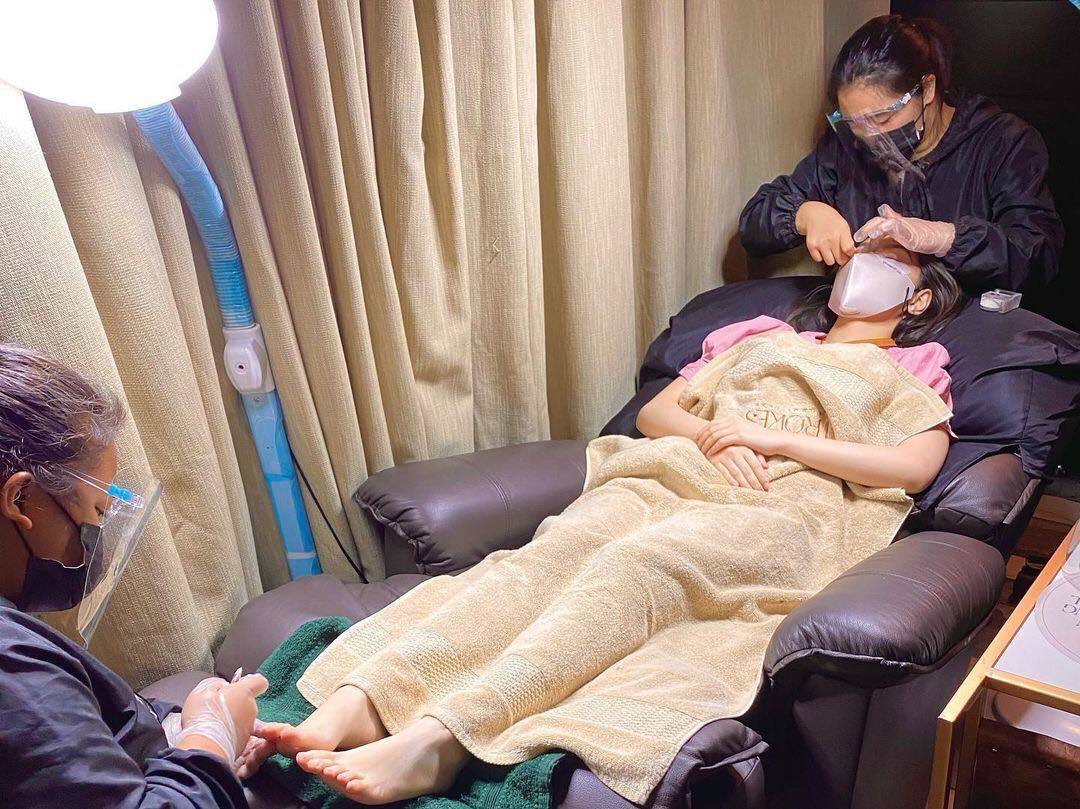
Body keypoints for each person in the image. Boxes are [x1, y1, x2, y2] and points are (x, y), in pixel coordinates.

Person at [246, 246, 962, 806]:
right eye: (858, 251)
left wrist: (773, 440)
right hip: (674, 471)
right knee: (551, 554)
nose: (860, 264)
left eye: (886, 260)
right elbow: (657, 413)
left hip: (781, 504)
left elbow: (913, 466)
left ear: (920, 296)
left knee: (639, 566)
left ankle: (443, 739)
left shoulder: (914, 367)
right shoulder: (762, 337)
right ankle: (364, 699)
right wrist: (718, 437)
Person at [0, 343, 268, 807]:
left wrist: (173, 727)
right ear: (21, 500)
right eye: (97, 511)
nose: (96, 535)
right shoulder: (11, 665)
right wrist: (210, 740)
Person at [739, 13, 1064, 293]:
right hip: (877, 324)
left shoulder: (1003, 142)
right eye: (854, 122)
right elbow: (753, 225)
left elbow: (1040, 258)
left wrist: (944, 238)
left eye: (882, 118)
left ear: (927, 89)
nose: (869, 135)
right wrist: (805, 214)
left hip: (970, 325)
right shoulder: (844, 148)